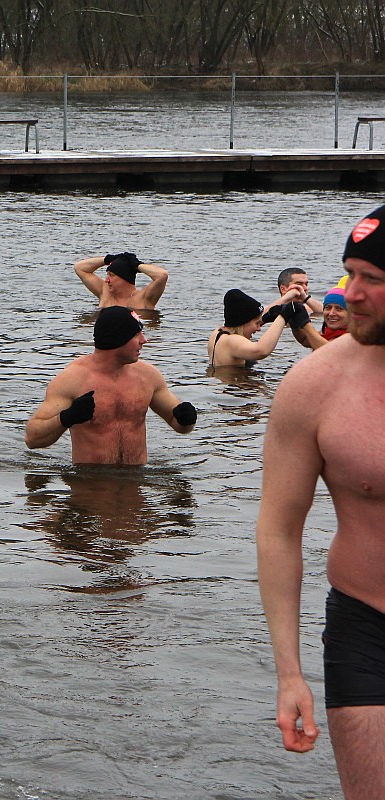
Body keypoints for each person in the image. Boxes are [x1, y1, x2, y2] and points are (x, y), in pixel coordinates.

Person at [257, 204, 385, 799]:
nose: (349, 294)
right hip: (368, 629)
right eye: (347, 273)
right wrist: (289, 672)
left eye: (373, 280)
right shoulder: (314, 385)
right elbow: (278, 530)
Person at [25, 306, 196, 465]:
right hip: (91, 485)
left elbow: (178, 425)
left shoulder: (148, 376)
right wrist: (66, 418)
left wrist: (186, 419)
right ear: (118, 339)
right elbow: (32, 439)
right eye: (137, 335)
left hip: (135, 485)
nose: (144, 340)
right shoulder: (72, 380)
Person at [207, 289, 290, 367]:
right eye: (257, 323)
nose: (259, 328)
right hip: (237, 381)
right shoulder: (231, 341)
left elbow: (253, 316)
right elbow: (261, 351)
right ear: (243, 322)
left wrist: (287, 297)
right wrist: (284, 316)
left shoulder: (218, 333)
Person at [73, 252, 169, 312]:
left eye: (111, 275)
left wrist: (137, 265)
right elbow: (79, 267)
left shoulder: (144, 298)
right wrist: (108, 259)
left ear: (124, 278)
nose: (106, 280)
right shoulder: (104, 292)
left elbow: (162, 275)